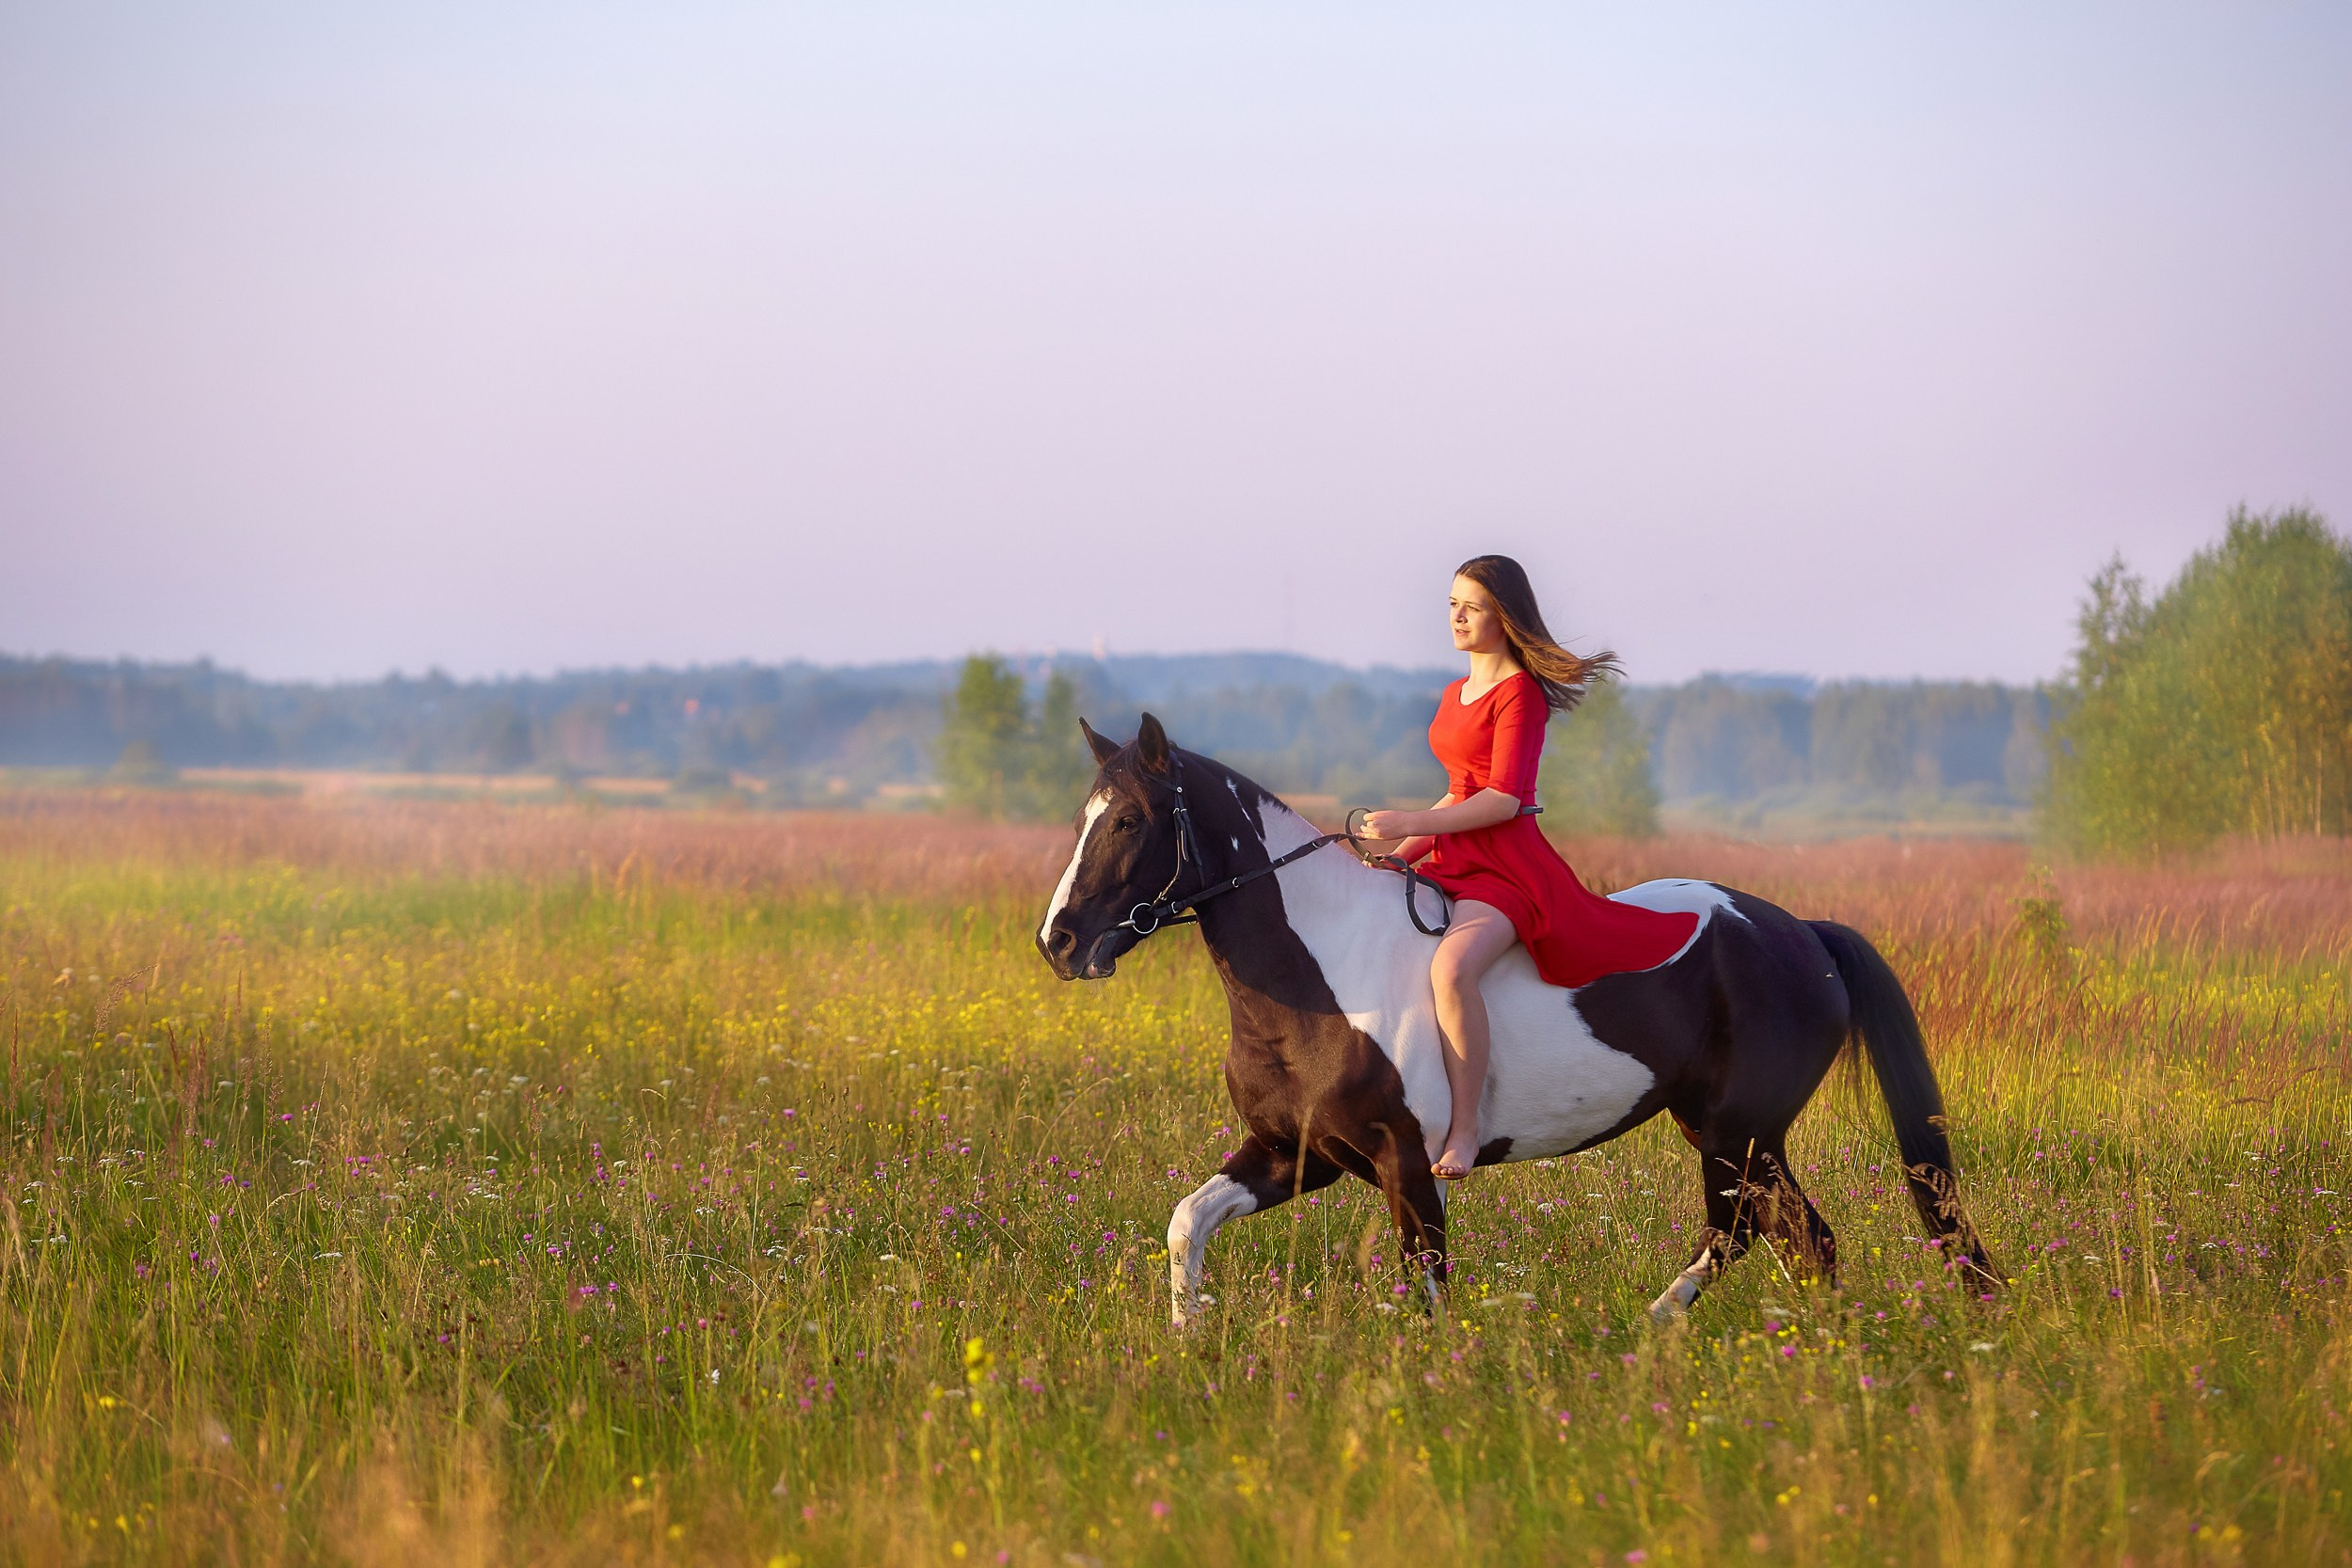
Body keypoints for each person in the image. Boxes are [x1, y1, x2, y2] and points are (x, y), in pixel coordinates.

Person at [1359, 555, 1700, 1180]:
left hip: (1507, 870)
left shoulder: (1519, 694)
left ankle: (1465, 1130)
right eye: (1453, 603)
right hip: (1454, 858)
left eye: (1473, 606)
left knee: (1453, 966)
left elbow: (1501, 799)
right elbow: (1460, 789)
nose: (1458, 616)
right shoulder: (1454, 692)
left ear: (1504, 616)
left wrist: (1408, 820)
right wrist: (1400, 855)